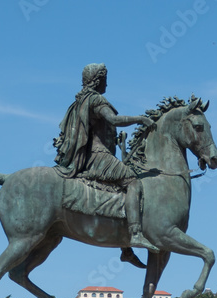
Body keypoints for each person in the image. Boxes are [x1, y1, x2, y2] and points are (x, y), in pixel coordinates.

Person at [54, 63, 158, 253]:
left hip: (91, 154)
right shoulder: (95, 99)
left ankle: (125, 249)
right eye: (105, 80)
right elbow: (114, 120)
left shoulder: (80, 101)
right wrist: (140, 119)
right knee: (133, 182)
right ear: (98, 80)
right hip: (97, 156)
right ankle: (135, 234)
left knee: (118, 188)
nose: (107, 84)